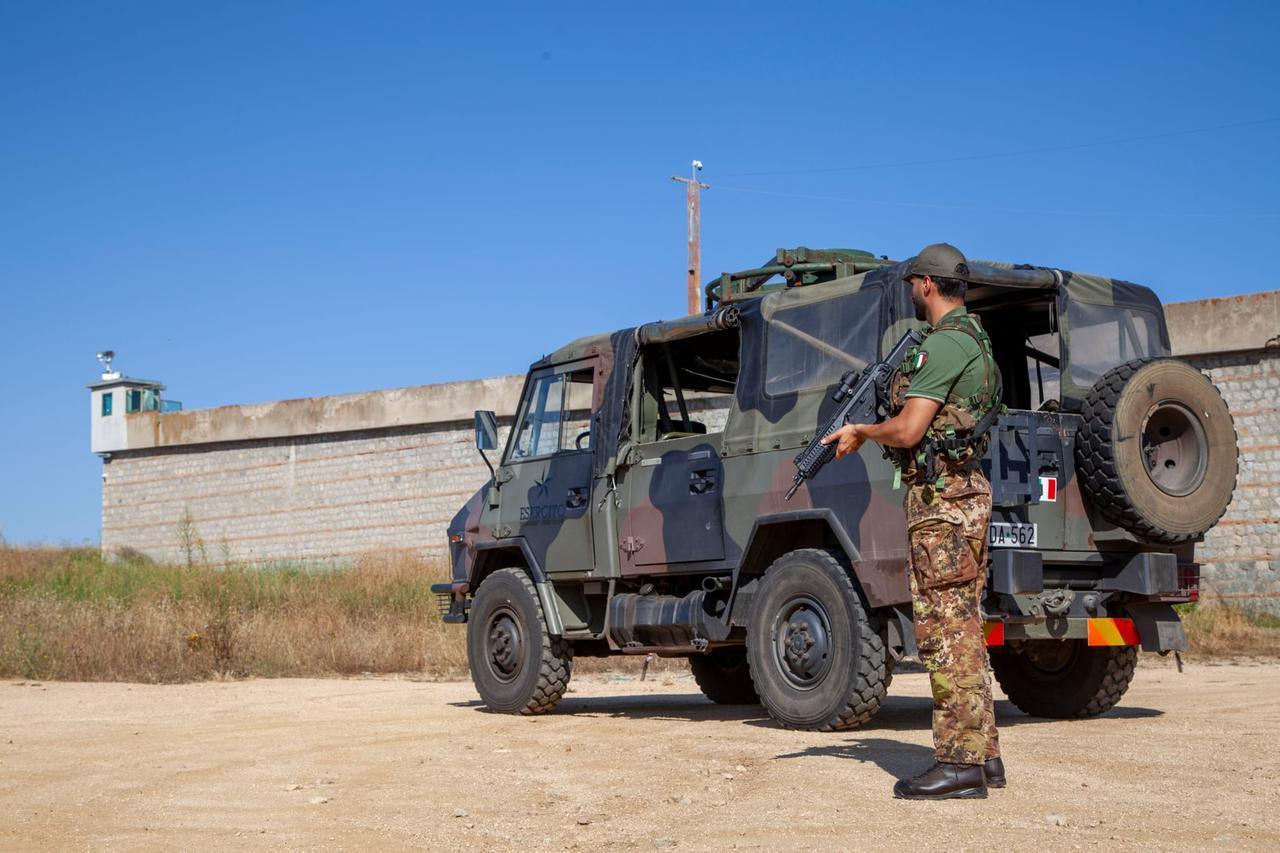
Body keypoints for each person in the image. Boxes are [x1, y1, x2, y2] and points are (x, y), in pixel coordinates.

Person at [823, 242, 1004, 800]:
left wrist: (863, 432)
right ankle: (984, 756)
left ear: (927, 283)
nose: (909, 291)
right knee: (964, 627)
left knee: (945, 634)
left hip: (943, 505)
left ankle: (960, 765)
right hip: (962, 495)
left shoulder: (946, 346)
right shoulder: (976, 339)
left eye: (911, 283)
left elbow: (908, 431)